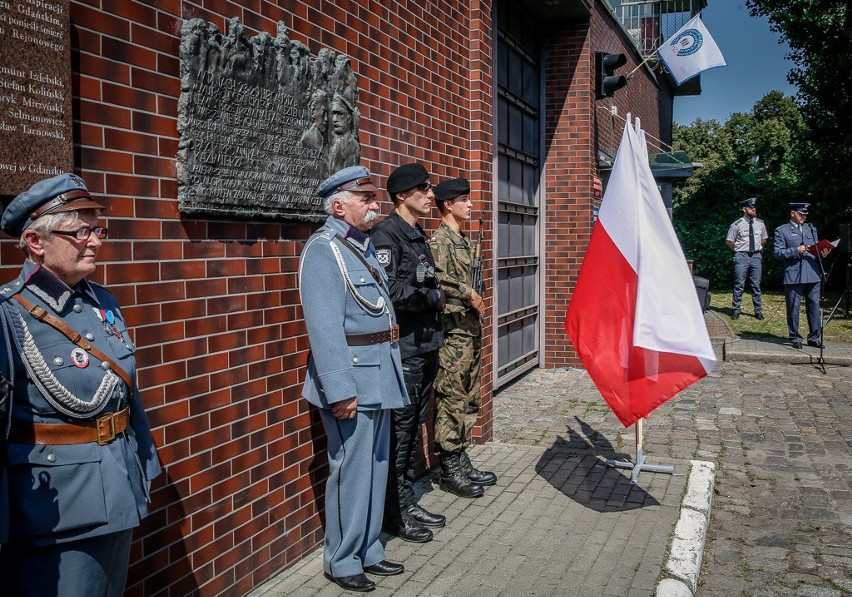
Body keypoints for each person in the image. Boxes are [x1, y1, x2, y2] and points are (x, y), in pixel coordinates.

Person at [0, 173, 162, 596]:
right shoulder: (8, 314)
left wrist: (144, 465)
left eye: (97, 229)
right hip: (58, 507)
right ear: (36, 242)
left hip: (119, 483)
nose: (96, 241)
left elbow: (126, 392)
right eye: (81, 231)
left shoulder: (101, 302)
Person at [298, 165, 408, 592]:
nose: (374, 203)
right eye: (365, 198)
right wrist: (340, 390)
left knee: (375, 468)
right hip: (352, 382)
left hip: (378, 372)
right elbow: (324, 329)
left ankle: (368, 549)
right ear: (339, 205)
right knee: (351, 470)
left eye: (373, 197)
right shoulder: (324, 250)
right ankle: (342, 560)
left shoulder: (357, 246)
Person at [369, 163, 446, 544]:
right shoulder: (387, 235)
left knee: (414, 428)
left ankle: (406, 498)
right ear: (402, 195)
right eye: (424, 189)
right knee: (400, 434)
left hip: (425, 347)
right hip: (406, 352)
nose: (431, 195)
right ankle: (394, 513)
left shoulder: (415, 233)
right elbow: (389, 291)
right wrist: (430, 296)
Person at [431, 178, 495, 498]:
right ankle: (448, 467)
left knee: (469, 397)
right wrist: (466, 292)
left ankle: (460, 456)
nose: (470, 205)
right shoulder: (439, 242)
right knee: (452, 399)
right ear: (448, 205)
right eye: (464, 200)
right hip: (452, 333)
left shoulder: (464, 240)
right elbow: (438, 279)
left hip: (469, 330)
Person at [773, 202, 831, 349]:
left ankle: (814, 337)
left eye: (805, 214)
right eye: (801, 214)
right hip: (794, 274)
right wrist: (795, 250)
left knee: (814, 306)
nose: (804, 217)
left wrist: (823, 253)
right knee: (794, 307)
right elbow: (778, 253)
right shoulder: (782, 230)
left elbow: (815, 247)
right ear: (793, 213)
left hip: (812, 273)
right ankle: (795, 337)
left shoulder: (811, 229)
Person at [725, 197, 769, 320]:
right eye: (750, 207)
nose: (753, 209)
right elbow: (729, 241)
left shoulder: (760, 223)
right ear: (744, 209)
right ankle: (736, 309)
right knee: (739, 283)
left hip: (756, 255)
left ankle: (758, 311)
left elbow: (764, 239)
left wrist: (757, 247)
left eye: (754, 207)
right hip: (742, 255)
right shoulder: (736, 225)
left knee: (756, 284)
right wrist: (739, 249)